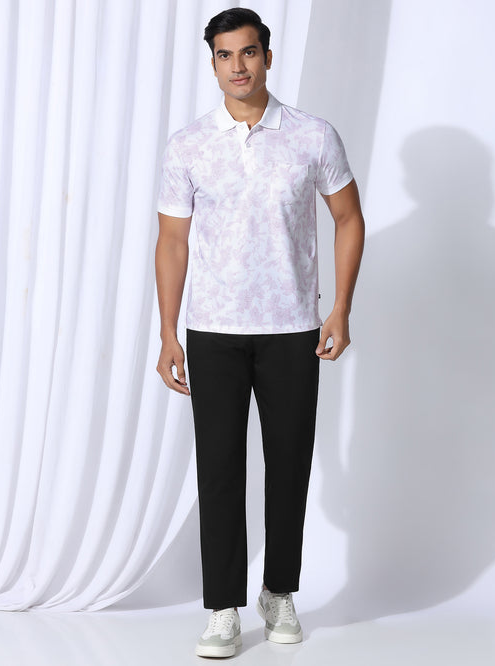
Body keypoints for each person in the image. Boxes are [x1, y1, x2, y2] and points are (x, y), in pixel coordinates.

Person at [155, 7, 365, 659]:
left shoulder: (313, 136)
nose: (237, 66)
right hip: (214, 330)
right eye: (224, 55)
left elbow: (349, 218)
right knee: (219, 470)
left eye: (248, 52)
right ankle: (222, 607)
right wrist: (167, 333)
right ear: (213, 63)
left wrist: (340, 309)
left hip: (292, 328)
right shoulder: (188, 144)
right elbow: (172, 241)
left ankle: (279, 591)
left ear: (267, 57)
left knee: (288, 466)